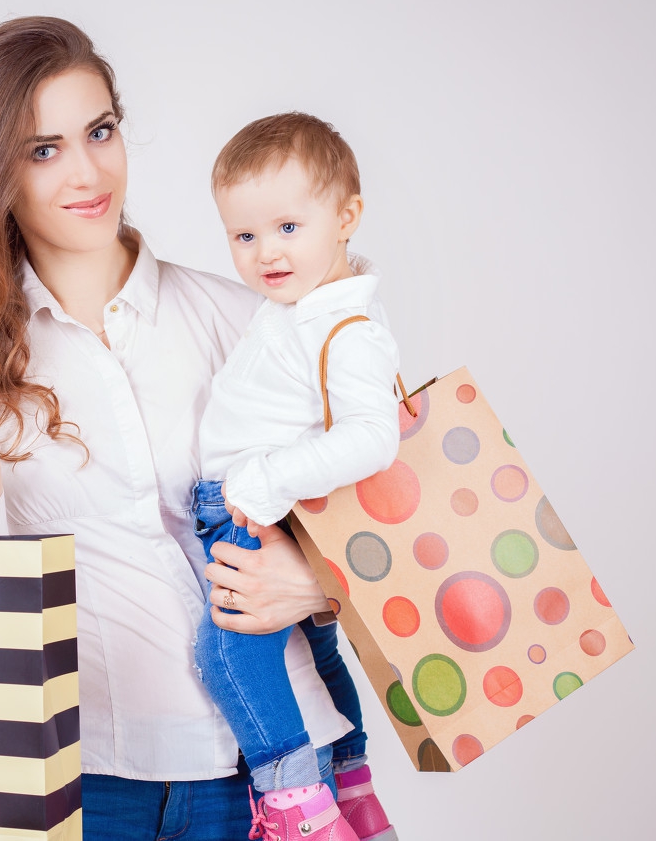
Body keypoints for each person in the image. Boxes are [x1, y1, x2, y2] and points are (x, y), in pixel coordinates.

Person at [0, 17, 350, 841]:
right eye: (42, 149)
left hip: (278, 766)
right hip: (88, 780)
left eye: (100, 131)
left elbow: (389, 519)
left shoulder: (252, 319)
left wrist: (317, 584)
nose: (89, 172)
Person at [192, 113, 401, 841]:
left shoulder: (346, 328)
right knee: (311, 652)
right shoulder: (300, 307)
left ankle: (299, 810)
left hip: (257, 507)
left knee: (225, 649)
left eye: (287, 227)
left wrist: (265, 481)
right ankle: (353, 787)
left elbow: (374, 437)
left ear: (346, 217)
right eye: (243, 236)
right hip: (262, 504)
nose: (264, 253)